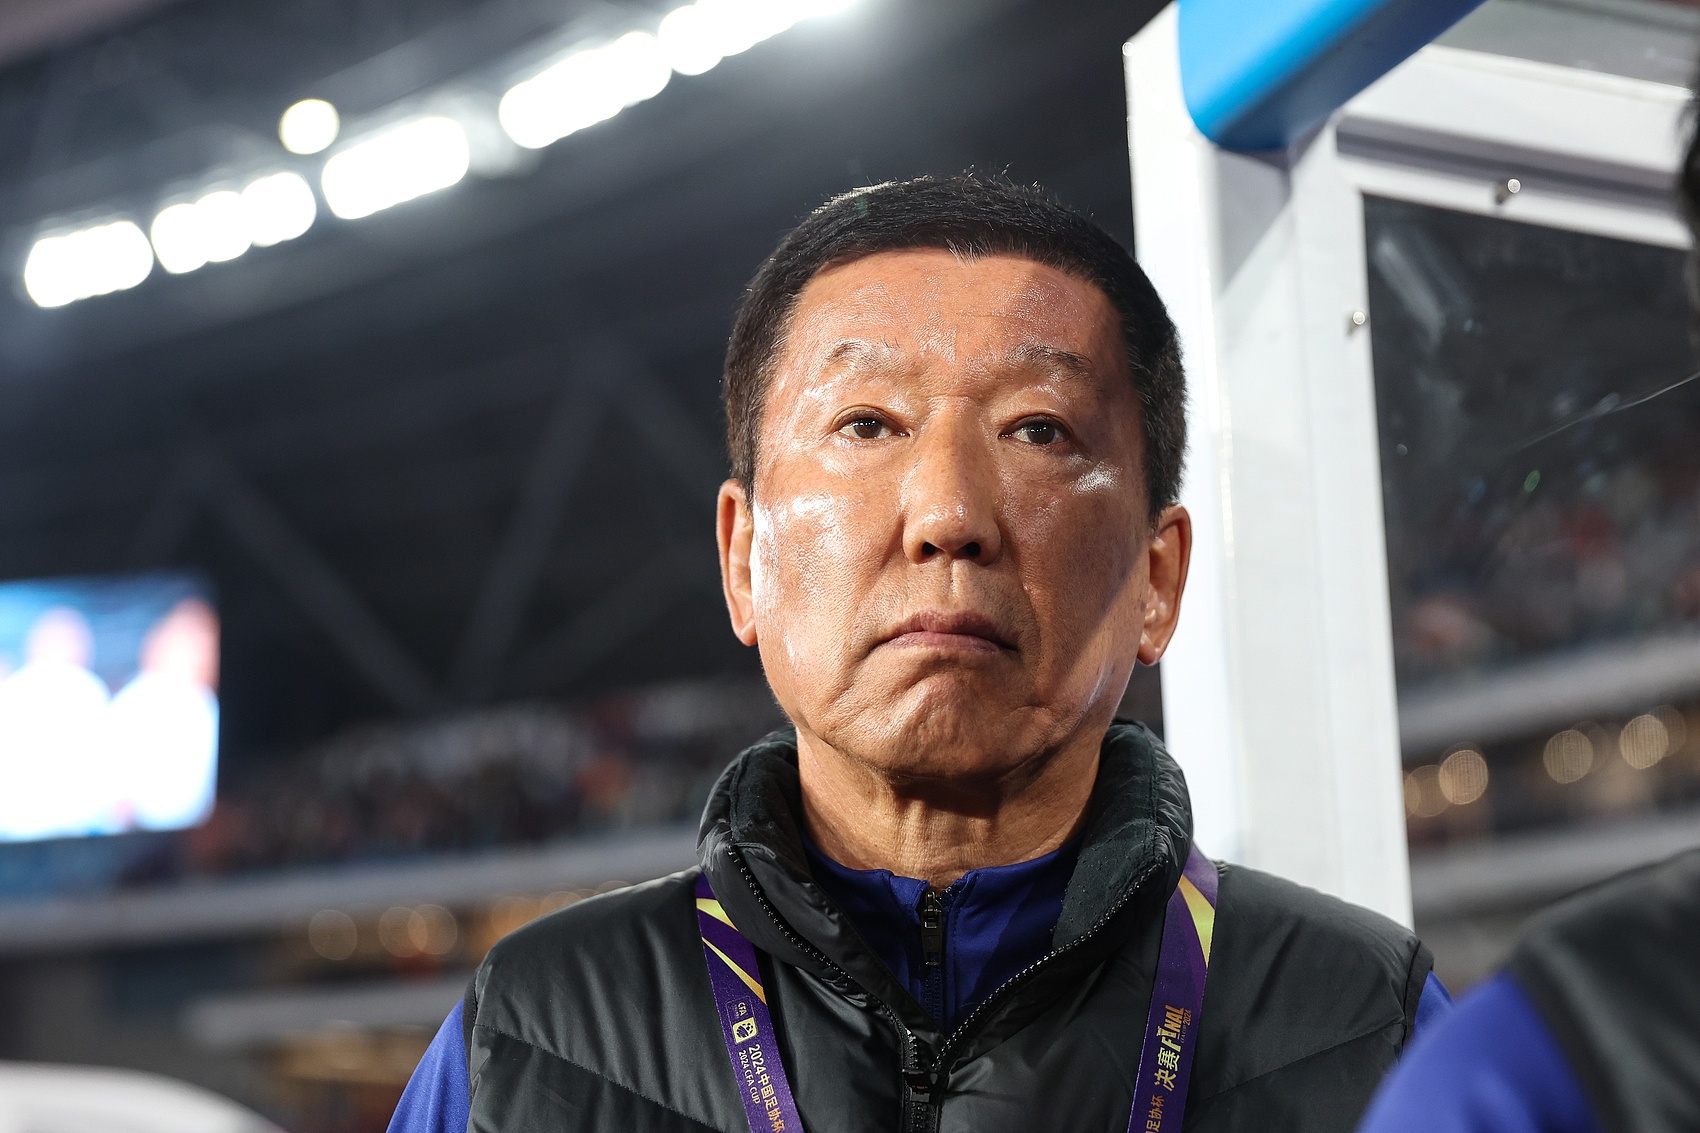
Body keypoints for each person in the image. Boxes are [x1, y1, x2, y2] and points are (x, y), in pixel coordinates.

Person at [389, 175, 1449, 1133]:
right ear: (744, 559)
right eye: (866, 423)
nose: (947, 514)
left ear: (1157, 578)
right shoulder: (525, 1041)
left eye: (1037, 429)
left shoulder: (1368, 1023)